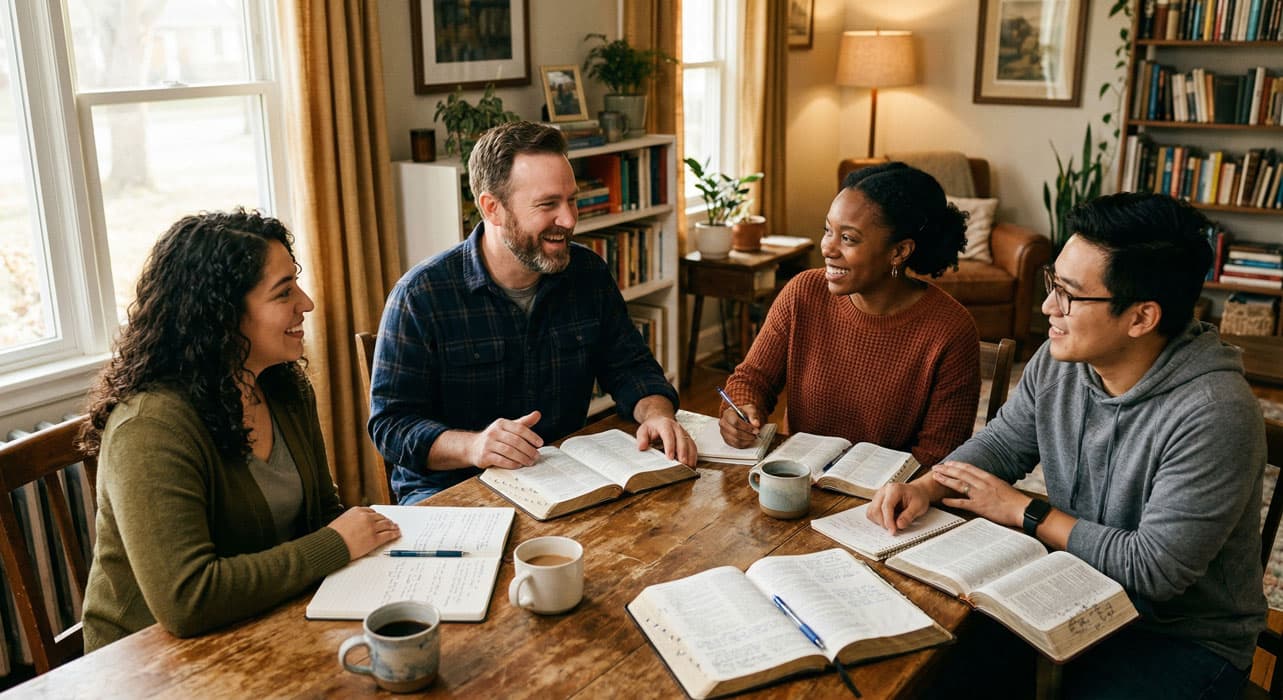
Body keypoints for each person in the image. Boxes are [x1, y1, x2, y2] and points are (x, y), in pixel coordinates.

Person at [869, 193, 1267, 698]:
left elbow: (1154, 571)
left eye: (1069, 295)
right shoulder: (1061, 361)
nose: (1047, 307)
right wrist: (927, 486)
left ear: (1141, 317)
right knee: (927, 665)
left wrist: (1023, 512)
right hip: (1071, 591)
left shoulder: (1214, 412)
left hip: (1177, 637)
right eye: (1052, 283)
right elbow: (1002, 443)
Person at [79, 210, 401, 651]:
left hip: (260, 624)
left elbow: (322, 513)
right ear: (222, 315)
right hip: (147, 662)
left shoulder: (283, 386)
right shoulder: (150, 427)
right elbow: (188, 599)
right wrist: (335, 544)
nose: (306, 304)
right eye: (283, 292)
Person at [369, 120, 694, 505]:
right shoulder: (420, 296)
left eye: (571, 200)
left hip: (564, 481)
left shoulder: (587, 274)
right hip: (450, 492)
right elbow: (391, 426)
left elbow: (631, 366)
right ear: (493, 208)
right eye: (548, 204)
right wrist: (474, 446)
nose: (570, 220)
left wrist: (656, 413)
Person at [719, 161, 979, 467]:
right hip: (798, 479)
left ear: (899, 252)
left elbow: (938, 455)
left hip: (888, 501)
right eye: (828, 230)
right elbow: (752, 379)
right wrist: (741, 409)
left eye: (849, 239)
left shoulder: (951, 330)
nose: (828, 248)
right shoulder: (803, 292)